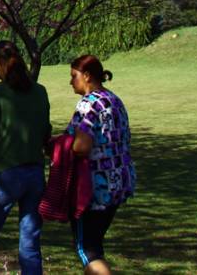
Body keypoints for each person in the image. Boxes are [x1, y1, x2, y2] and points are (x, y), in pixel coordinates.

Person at [0, 41, 51, 275]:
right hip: (35, 172)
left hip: (7, 173)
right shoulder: (40, 91)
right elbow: (45, 129)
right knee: (30, 241)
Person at [66, 55, 135, 275]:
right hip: (119, 181)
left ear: (86, 76)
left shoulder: (88, 104)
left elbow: (81, 146)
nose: (71, 82)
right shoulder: (113, 99)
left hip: (96, 187)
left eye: (73, 76)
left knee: (88, 249)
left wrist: (61, 146)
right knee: (95, 242)